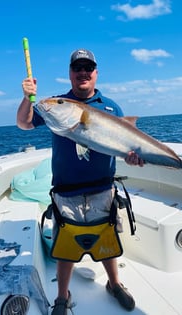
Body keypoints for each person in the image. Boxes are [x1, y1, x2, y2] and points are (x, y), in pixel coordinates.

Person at [17, 48, 144, 315]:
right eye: (78, 68)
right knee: (65, 247)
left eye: (88, 68)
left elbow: (126, 143)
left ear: (96, 73)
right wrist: (27, 97)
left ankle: (115, 284)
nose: (83, 73)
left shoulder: (110, 107)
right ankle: (62, 297)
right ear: (70, 74)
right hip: (66, 191)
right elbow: (24, 124)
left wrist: (134, 157)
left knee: (108, 240)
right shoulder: (58, 104)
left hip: (102, 189)